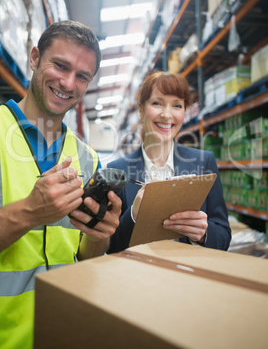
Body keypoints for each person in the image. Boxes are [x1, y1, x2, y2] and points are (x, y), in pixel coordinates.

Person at [0, 20, 121, 349]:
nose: (69, 83)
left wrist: (100, 234)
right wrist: (28, 212)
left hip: (64, 332)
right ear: (35, 58)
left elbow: (87, 259)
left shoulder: (88, 158)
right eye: (61, 65)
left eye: (82, 76)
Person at [107, 71, 231, 253]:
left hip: (188, 274)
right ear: (141, 109)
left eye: (177, 105)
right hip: (137, 276)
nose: (167, 115)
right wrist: (133, 215)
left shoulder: (203, 163)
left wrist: (204, 233)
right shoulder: (117, 170)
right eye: (157, 103)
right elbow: (111, 247)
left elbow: (224, 238)